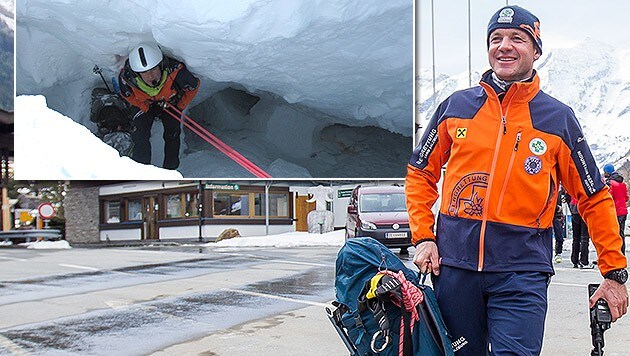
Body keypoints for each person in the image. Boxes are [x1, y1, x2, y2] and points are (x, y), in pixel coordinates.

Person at [405, 5, 628, 355]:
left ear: (536, 51)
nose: (504, 46)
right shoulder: (456, 107)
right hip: (455, 268)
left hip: (521, 272)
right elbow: (420, 173)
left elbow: (593, 196)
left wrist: (614, 273)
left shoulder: (558, 119)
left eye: (517, 38)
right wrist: (423, 237)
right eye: (496, 38)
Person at [118, 42, 200, 170]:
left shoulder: (176, 72)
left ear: (161, 65)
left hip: (170, 104)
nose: (150, 76)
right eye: (144, 73)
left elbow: (193, 86)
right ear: (137, 73)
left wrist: (180, 105)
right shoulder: (127, 79)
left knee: (172, 134)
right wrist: (144, 106)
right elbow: (127, 95)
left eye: (153, 69)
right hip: (146, 104)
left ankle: (170, 169)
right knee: (140, 135)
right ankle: (141, 170)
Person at [603, 163, 629, 254]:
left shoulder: (610, 183)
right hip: (623, 211)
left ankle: (615, 255)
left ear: (607, 172)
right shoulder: (622, 183)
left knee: (614, 234)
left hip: (614, 212)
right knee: (621, 234)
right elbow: (626, 198)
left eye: (605, 172)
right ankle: (622, 254)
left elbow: (608, 197)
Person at [569, 195, 593, 268]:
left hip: (574, 208)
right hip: (584, 207)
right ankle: (584, 261)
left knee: (576, 238)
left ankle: (574, 260)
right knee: (584, 238)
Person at [552, 186, 567, 263]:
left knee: (559, 235)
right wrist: (556, 208)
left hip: (558, 215)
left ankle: (558, 253)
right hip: (548, 214)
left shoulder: (561, 187)